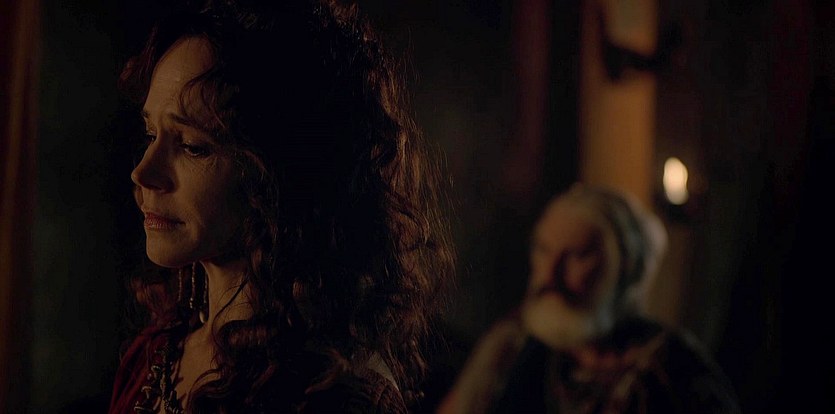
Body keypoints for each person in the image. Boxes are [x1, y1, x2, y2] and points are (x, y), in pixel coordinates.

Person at [106, 0, 455, 412]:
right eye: (152, 135)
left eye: (193, 146)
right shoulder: (154, 356)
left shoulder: (331, 396)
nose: (143, 173)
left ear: (278, 172)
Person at [437, 183, 741, 414]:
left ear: (624, 270)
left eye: (578, 255)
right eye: (543, 249)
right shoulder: (510, 349)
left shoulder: (671, 368)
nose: (549, 275)